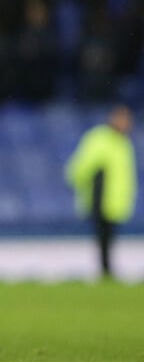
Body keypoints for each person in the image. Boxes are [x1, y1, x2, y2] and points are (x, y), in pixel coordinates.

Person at [65, 105, 138, 279]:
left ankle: (107, 270)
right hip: (100, 198)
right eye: (123, 119)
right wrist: (77, 182)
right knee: (103, 237)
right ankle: (105, 270)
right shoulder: (100, 139)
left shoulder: (123, 143)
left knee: (109, 237)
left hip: (117, 201)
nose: (126, 123)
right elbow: (82, 165)